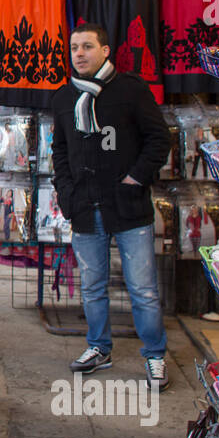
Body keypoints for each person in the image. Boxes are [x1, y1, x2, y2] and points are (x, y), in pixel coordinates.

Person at [50, 25, 173, 391]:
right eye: (74, 47)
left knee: (143, 288)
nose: (79, 53)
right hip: (85, 207)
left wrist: (136, 178)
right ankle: (98, 348)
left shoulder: (131, 90)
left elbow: (158, 139)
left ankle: (154, 354)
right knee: (92, 285)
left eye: (87, 46)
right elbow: (60, 150)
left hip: (128, 206)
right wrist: (66, 191)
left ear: (105, 50)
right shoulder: (64, 97)